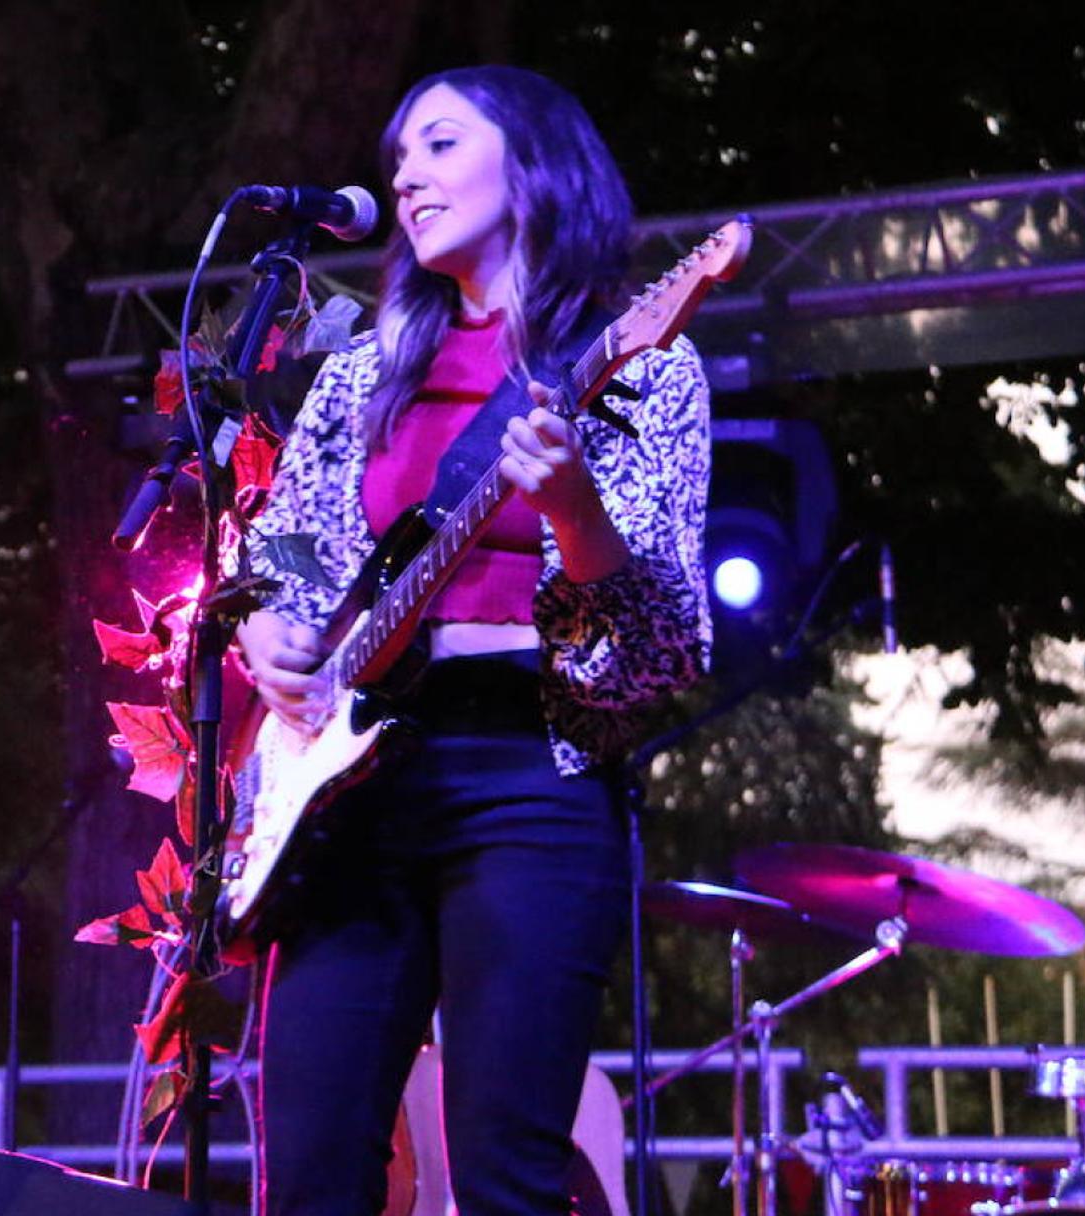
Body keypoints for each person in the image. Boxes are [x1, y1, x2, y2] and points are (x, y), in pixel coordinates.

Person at [237, 66, 711, 1215]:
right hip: (352, 786)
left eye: (441, 145)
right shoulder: (359, 378)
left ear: (533, 165)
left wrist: (576, 513)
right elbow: (282, 552)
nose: (405, 176)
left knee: (505, 1175)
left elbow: (664, 656)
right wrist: (264, 627)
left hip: (530, 778)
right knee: (309, 1173)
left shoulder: (644, 366)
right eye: (400, 155)